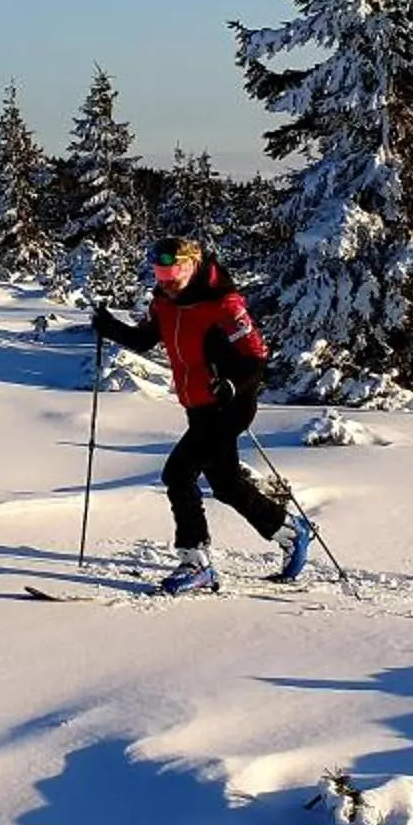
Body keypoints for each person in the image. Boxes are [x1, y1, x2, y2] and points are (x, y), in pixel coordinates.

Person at [93, 235, 313, 594]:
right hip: (197, 406)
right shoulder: (164, 302)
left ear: (193, 265)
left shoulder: (224, 304)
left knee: (178, 475)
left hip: (229, 406)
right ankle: (289, 531)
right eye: (160, 275)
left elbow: (257, 358)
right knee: (225, 485)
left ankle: (196, 564)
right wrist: (110, 327)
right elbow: (146, 340)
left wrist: (232, 384)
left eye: (174, 274)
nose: (167, 282)